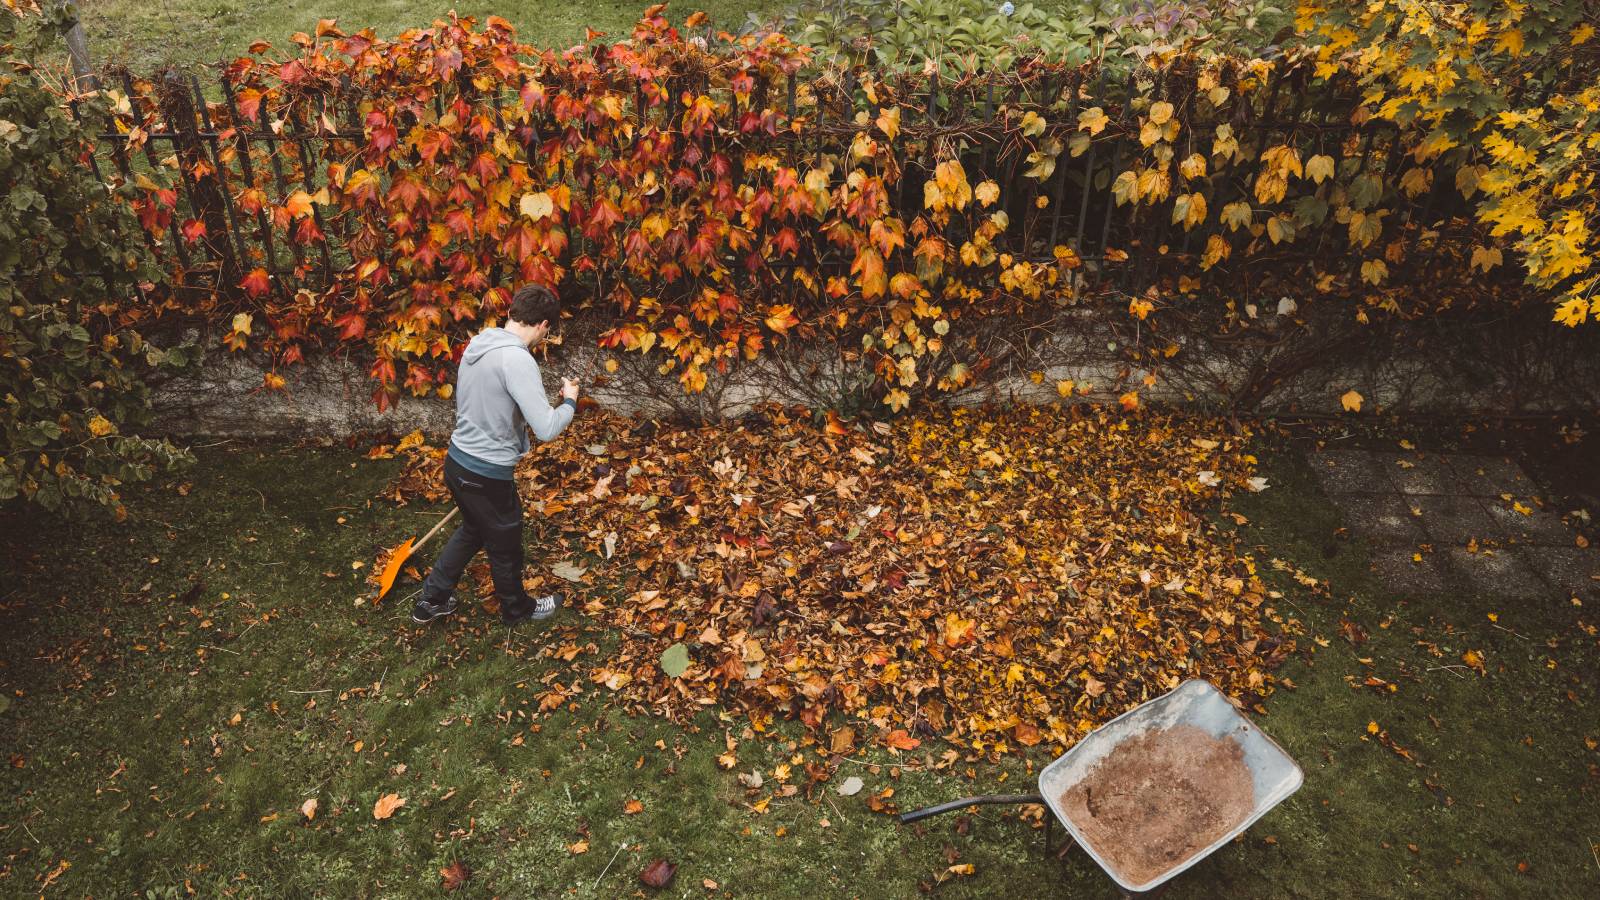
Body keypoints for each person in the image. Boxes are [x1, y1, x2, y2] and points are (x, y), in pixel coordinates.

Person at [412, 283, 579, 625]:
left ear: (511, 313)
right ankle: (518, 609)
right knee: (506, 548)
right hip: (485, 475)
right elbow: (546, 429)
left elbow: (496, 400)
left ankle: (432, 599)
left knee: (473, 528)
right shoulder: (517, 359)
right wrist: (570, 401)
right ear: (543, 325)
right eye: (547, 332)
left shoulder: (480, 342)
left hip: (457, 463)